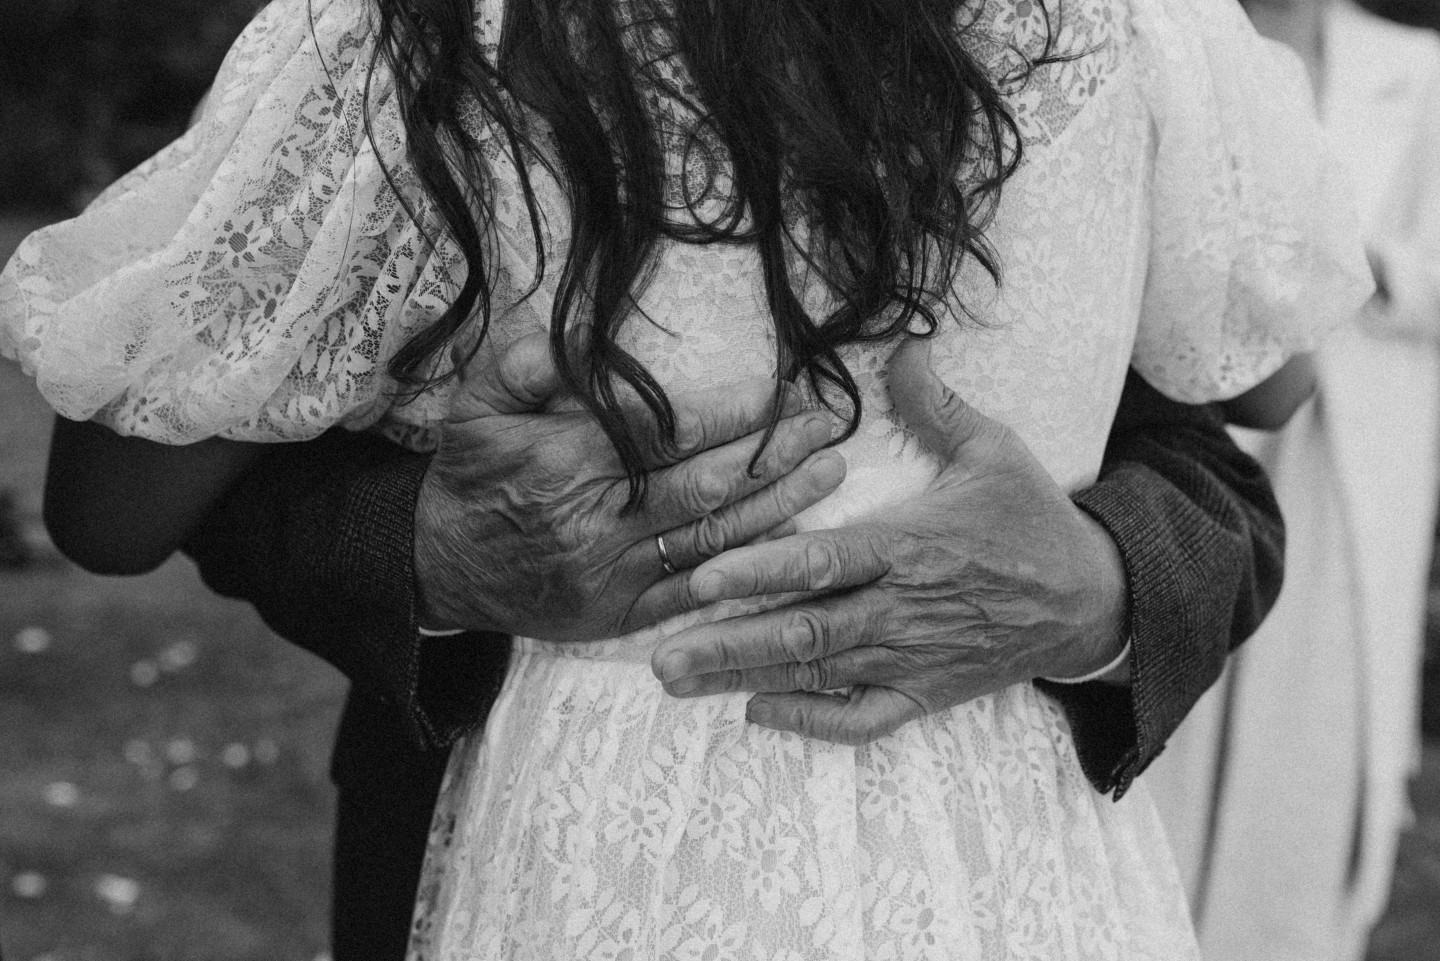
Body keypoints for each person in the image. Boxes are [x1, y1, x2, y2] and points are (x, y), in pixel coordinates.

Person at [0, 0, 1369, 955]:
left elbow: (112, 492)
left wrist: (1105, 578)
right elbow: (1271, 369)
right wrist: (421, 544)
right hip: (966, 859)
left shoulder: (434, 42)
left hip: (624, 820)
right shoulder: (1149, 34)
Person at [1145, 0, 1440, 958]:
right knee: (1174, 730)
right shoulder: (1176, 38)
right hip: (1201, 433)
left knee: (1309, 740)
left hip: (1342, 464)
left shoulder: (1418, 72)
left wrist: (1339, 263)